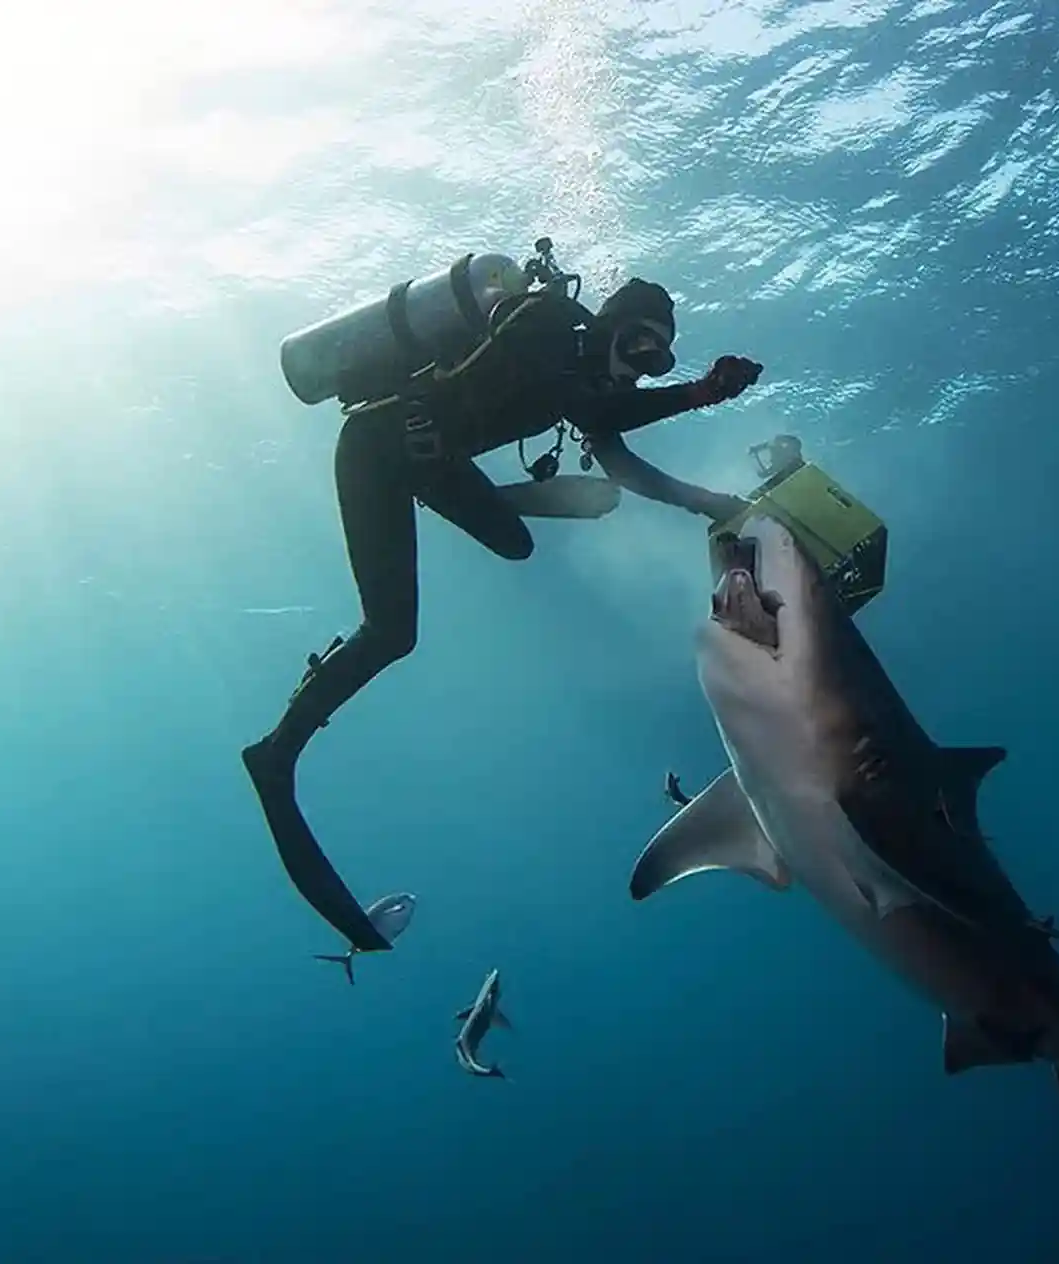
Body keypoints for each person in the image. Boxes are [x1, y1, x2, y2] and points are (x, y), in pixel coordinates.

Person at [243, 274, 763, 948]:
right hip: (376, 448)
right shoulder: (542, 321)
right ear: (609, 324)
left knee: (541, 530)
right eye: (639, 347)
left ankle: (487, 500)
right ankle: (276, 753)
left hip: (430, 464)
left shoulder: (587, 384)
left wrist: (712, 504)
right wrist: (695, 392)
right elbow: (587, 407)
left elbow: (627, 469)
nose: (639, 369)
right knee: (392, 633)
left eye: (655, 361)